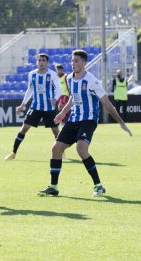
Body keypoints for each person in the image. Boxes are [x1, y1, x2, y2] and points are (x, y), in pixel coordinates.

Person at [37, 50, 132, 197]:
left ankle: (98, 185)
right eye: (72, 61)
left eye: (76, 61)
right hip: (73, 119)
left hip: (88, 120)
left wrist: (121, 122)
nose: (73, 64)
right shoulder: (69, 79)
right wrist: (62, 113)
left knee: (81, 149)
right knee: (56, 149)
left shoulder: (92, 81)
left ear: (84, 63)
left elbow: (106, 103)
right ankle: (54, 187)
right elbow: (72, 98)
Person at [4, 53, 61, 161]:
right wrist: (22, 105)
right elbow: (30, 90)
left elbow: (58, 88)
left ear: (47, 63)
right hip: (35, 106)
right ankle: (13, 152)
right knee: (24, 129)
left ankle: (61, 151)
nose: (41, 62)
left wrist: (55, 98)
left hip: (49, 107)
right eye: (39, 60)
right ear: (37, 62)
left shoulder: (52, 74)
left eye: (43, 60)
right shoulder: (32, 74)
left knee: (55, 131)